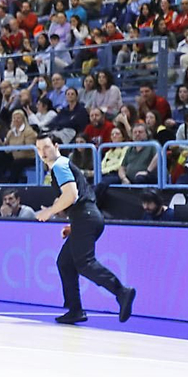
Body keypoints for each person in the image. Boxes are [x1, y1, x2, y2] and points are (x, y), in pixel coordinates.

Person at [33, 133, 136, 325]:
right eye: (39, 149)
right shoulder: (61, 166)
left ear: (56, 146)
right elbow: (79, 196)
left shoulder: (59, 165)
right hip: (85, 218)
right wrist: (74, 225)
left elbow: (71, 195)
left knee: (85, 263)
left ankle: (121, 291)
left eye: (46, 147)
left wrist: (50, 212)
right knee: (65, 262)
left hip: (86, 217)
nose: (43, 152)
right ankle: (75, 310)